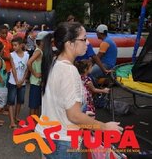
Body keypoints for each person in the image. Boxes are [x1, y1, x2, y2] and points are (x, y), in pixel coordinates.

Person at [35, 22, 122, 158]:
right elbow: (74, 116)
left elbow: (60, 102)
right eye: (84, 39)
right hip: (63, 140)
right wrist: (104, 127)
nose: (87, 43)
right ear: (69, 44)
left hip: (47, 134)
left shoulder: (53, 61)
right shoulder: (70, 71)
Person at [7, 37, 29, 129]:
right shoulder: (12, 55)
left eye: (16, 45)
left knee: (20, 101)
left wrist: (23, 80)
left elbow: (27, 69)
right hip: (13, 81)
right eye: (13, 45)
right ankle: (12, 121)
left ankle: (16, 117)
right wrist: (16, 81)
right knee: (11, 101)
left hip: (22, 82)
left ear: (21, 45)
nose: (14, 47)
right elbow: (13, 69)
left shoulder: (27, 55)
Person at [27, 31, 48, 117]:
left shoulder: (40, 51)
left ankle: (36, 122)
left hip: (38, 81)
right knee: (34, 104)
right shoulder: (38, 51)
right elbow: (29, 63)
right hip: (35, 81)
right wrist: (35, 73)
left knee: (37, 104)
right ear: (42, 41)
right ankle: (32, 123)